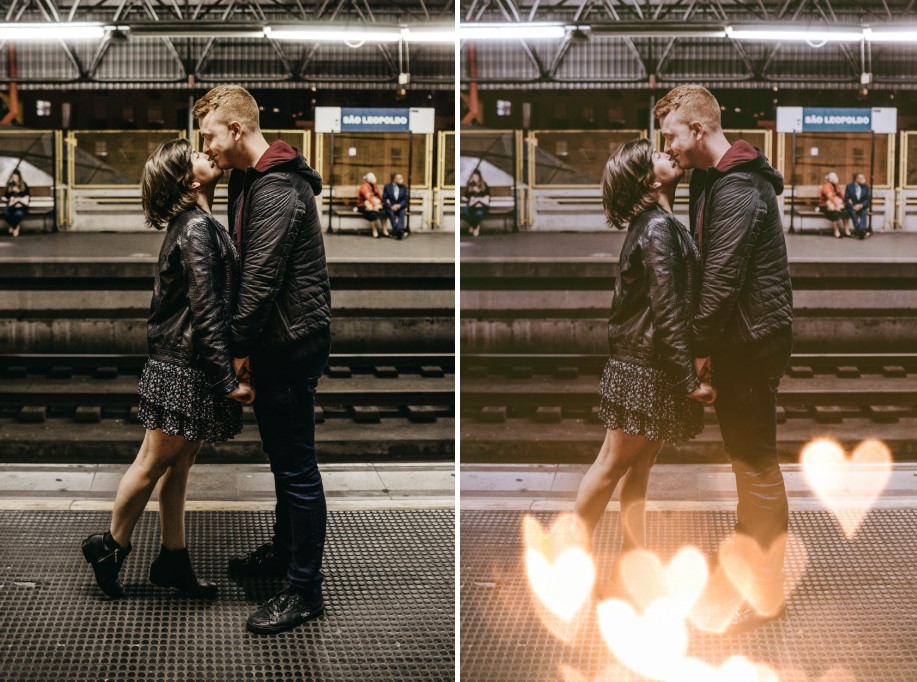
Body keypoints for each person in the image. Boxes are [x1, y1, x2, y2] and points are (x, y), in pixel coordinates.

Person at [81, 139, 254, 600]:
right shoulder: (197, 228)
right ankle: (109, 546)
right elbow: (206, 310)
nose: (209, 154)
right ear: (189, 180)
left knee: (179, 463)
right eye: (199, 154)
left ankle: (173, 559)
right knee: (155, 460)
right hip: (183, 365)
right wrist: (227, 379)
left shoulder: (198, 223)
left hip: (184, 362)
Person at [194, 85, 333, 635]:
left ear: (235, 130)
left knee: (296, 465)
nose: (205, 147)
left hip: (291, 342)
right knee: (282, 458)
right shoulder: (248, 180)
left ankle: (304, 589)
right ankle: (283, 554)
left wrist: (234, 352)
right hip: (277, 338)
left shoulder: (277, 190)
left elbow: (257, 285)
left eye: (209, 136)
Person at [656, 85, 794, 633]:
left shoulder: (737, 190)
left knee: (757, 462)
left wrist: (698, 350)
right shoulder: (714, 180)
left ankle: (765, 592)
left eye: (670, 136)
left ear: (696, 131)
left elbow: (719, 281)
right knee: (745, 458)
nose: (665, 148)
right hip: (740, 336)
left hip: (751, 340)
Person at [573, 139, 715, 571]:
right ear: (649, 180)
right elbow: (667, 307)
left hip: (649, 363)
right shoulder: (657, 228)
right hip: (644, 367)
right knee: (613, 464)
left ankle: (634, 553)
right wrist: (689, 379)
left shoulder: (663, 222)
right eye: (657, 154)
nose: (668, 155)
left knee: (641, 465)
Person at [819, 172, 851, 239]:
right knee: (835, 213)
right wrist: (837, 205)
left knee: (846, 212)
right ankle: (836, 232)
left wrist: (846, 201)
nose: (837, 179)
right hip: (825, 205)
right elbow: (830, 197)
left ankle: (847, 231)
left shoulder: (836, 186)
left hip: (833, 204)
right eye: (835, 177)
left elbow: (840, 195)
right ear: (831, 179)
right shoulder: (826, 186)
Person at [358, 172, 389, 238]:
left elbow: (377, 195)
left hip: (373, 204)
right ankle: (374, 232)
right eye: (373, 178)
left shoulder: (374, 185)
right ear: (369, 180)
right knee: (373, 213)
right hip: (363, 206)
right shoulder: (364, 186)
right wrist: (374, 206)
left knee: (384, 212)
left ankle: (385, 231)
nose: (375, 179)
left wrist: (381, 202)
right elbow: (368, 197)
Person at [462, 169, 491, 237]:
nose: (475, 178)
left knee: (478, 214)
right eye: (473, 177)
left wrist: (479, 191)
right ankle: (475, 226)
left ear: (479, 177)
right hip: (472, 206)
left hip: (481, 206)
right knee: (466, 212)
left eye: (476, 177)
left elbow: (487, 196)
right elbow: (466, 196)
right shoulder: (470, 185)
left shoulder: (484, 185)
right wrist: (469, 192)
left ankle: (473, 227)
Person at [2, 169, 30, 237]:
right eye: (13, 177)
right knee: (5, 213)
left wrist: (19, 192)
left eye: (16, 177)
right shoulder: (10, 185)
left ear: (19, 177)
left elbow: (27, 196)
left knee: (18, 214)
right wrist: (10, 192)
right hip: (12, 206)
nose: (15, 179)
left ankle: (13, 227)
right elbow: (6, 196)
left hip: (21, 206)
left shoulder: (24, 185)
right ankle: (15, 226)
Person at [845, 173, 871, 239]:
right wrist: (853, 206)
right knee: (852, 212)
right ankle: (862, 231)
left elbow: (868, 199)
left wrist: (861, 205)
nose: (864, 180)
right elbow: (846, 198)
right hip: (852, 207)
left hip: (862, 207)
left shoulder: (866, 187)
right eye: (862, 178)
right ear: (857, 179)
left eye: (864, 178)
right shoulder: (849, 186)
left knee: (864, 212)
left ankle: (860, 230)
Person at [382, 172, 409, 239]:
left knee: (402, 211)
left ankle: (398, 229)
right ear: (395, 179)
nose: (402, 180)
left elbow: (405, 199)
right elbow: (384, 199)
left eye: (402, 178)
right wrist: (391, 206)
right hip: (390, 207)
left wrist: (399, 205)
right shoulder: (387, 187)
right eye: (400, 178)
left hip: (400, 206)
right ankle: (399, 230)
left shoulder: (404, 187)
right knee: (390, 212)